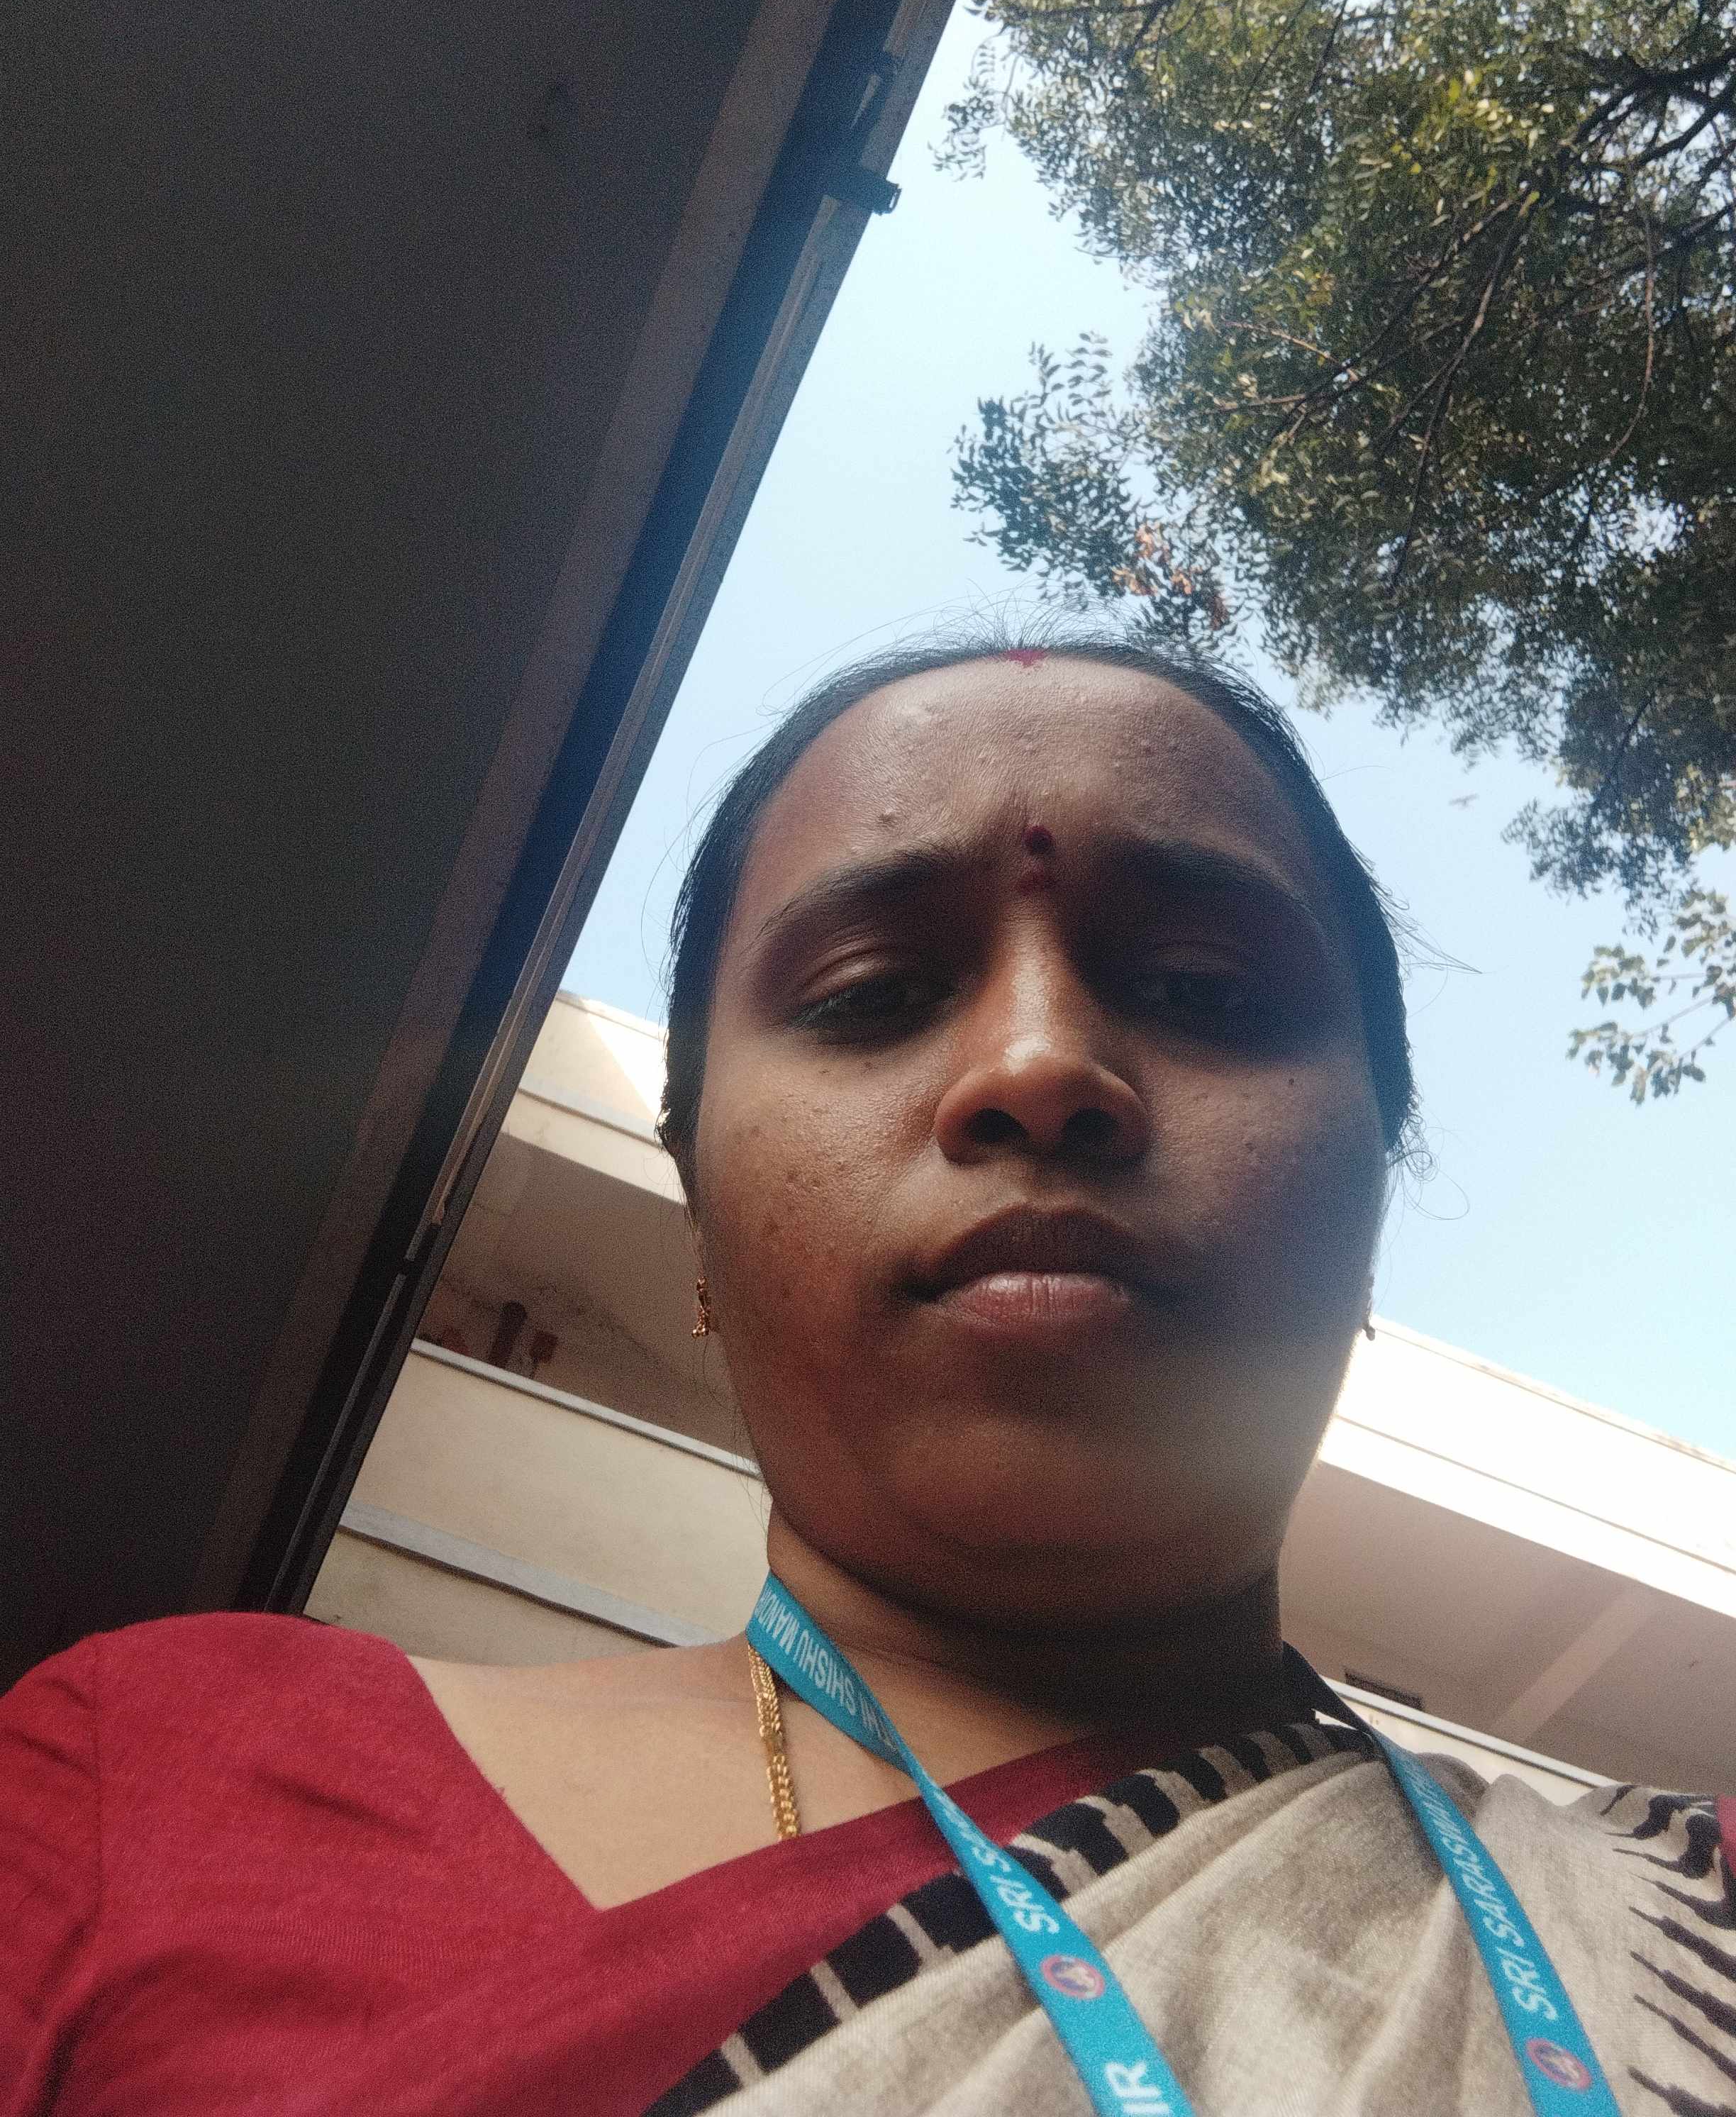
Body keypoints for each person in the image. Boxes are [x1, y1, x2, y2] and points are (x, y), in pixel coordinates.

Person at [2, 635, 1730, 2117]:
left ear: (1372, 1195)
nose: (1042, 1066)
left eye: (1202, 988)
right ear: (698, 1214)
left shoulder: (1678, 1919)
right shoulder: (152, 1788)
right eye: (871, 991)